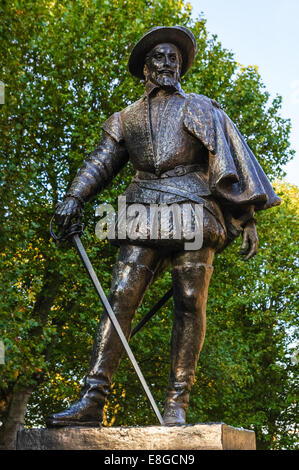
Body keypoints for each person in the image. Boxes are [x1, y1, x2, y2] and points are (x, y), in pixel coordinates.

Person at [46, 26, 280, 427]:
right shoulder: (126, 118)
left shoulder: (203, 108)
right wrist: (73, 198)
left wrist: (244, 218)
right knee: (120, 296)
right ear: (146, 69)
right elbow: (101, 163)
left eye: (175, 58)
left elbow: (228, 164)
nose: (169, 63)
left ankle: (177, 402)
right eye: (160, 57)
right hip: (141, 210)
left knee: (190, 300)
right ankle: (92, 399)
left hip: (194, 208)